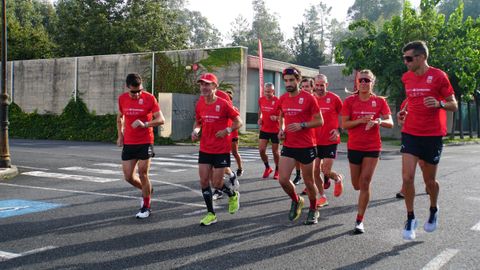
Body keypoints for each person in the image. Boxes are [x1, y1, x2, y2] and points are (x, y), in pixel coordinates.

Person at [399, 41, 458, 240]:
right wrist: (404, 111)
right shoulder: (406, 77)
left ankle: (433, 209)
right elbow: (411, 98)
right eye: (404, 58)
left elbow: (454, 104)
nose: (405, 62)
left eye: (409, 58)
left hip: (432, 135)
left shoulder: (439, 76)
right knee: (407, 177)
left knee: (429, 181)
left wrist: (440, 103)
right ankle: (410, 217)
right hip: (410, 133)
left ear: (422, 57)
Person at [341, 69, 393, 234]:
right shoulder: (349, 101)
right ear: (356, 82)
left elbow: (390, 122)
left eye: (367, 80)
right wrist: (360, 121)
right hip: (354, 146)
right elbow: (345, 125)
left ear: (372, 82)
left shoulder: (379, 101)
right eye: (361, 80)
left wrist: (378, 121)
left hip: (372, 147)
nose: (364, 83)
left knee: (365, 183)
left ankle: (359, 220)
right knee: (356, 185)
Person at [192, 73, 242, 226]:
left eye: (207, 84)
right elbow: (198, 121)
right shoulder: (200, 103)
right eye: (202, 84)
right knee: (203, 181)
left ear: (214, 86)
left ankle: (232, 195)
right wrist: (196, 131)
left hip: (221, 149)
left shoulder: (223, 103)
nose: (204, 87)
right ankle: (211, 214)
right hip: (205, 147)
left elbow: (238, 121)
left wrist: (227, 131)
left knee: (217, 183)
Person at [277, 67, 323, 225]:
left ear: (298, 80)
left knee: (309, 182)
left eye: (291, 80)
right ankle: (296, 200)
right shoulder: (282, 98)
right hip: (289, 144)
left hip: (307, 146)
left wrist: (302, 125)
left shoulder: (309, 98)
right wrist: (281, 130)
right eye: (286, 80)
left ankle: (313, 209)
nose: (288, 83)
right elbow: (282, 117)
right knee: (282, 179)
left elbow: (319, 121)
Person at [116, 73, 165, 219]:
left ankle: (146, 206)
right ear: (127, 87)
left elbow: (161, 120)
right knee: (128, 177)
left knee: (143, 173)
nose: (137, 95)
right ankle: (147, 189)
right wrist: (120, 135)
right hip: (129, 142)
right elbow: (120, 118)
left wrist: (145, 124)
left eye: (139, 91)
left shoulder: (149, 98)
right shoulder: (122, 99)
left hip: (145, 141)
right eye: (134, 92)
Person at [303, 74, 344, 208]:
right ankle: (323, 197)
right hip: (314, 141)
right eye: (317, 85)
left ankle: (337, 178)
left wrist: (338, 130)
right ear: (314, 85)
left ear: (327, 85)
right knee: (315, 171)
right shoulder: (311, 99)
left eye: (322, 85)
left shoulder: (334, 98)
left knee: (325, 171)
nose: (320, 87)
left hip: (330, 140)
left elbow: (344, 116)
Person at [258, 82, 281, 179]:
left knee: (275, 152)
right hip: (264, 128)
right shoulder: (261, 99)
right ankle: (267, 167)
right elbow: (260, 110)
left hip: (275, 130)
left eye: (269, 92)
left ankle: (277, 170)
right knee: (261, 150)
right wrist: (259, 118)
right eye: (265, 91)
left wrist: (276, 118)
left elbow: (282, 115)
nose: (267, 93)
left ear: (273, 91)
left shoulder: (278, 101)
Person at [225, 89, 244, 177]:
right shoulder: (222, 108)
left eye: (228, 97)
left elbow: (238, 122)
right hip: (225, 135)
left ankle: (240, 168)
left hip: (233, 135)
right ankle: (225, 170)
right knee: (224, 153)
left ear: (230, 99)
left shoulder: (234, 108)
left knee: (234, 153)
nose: (226, 99)